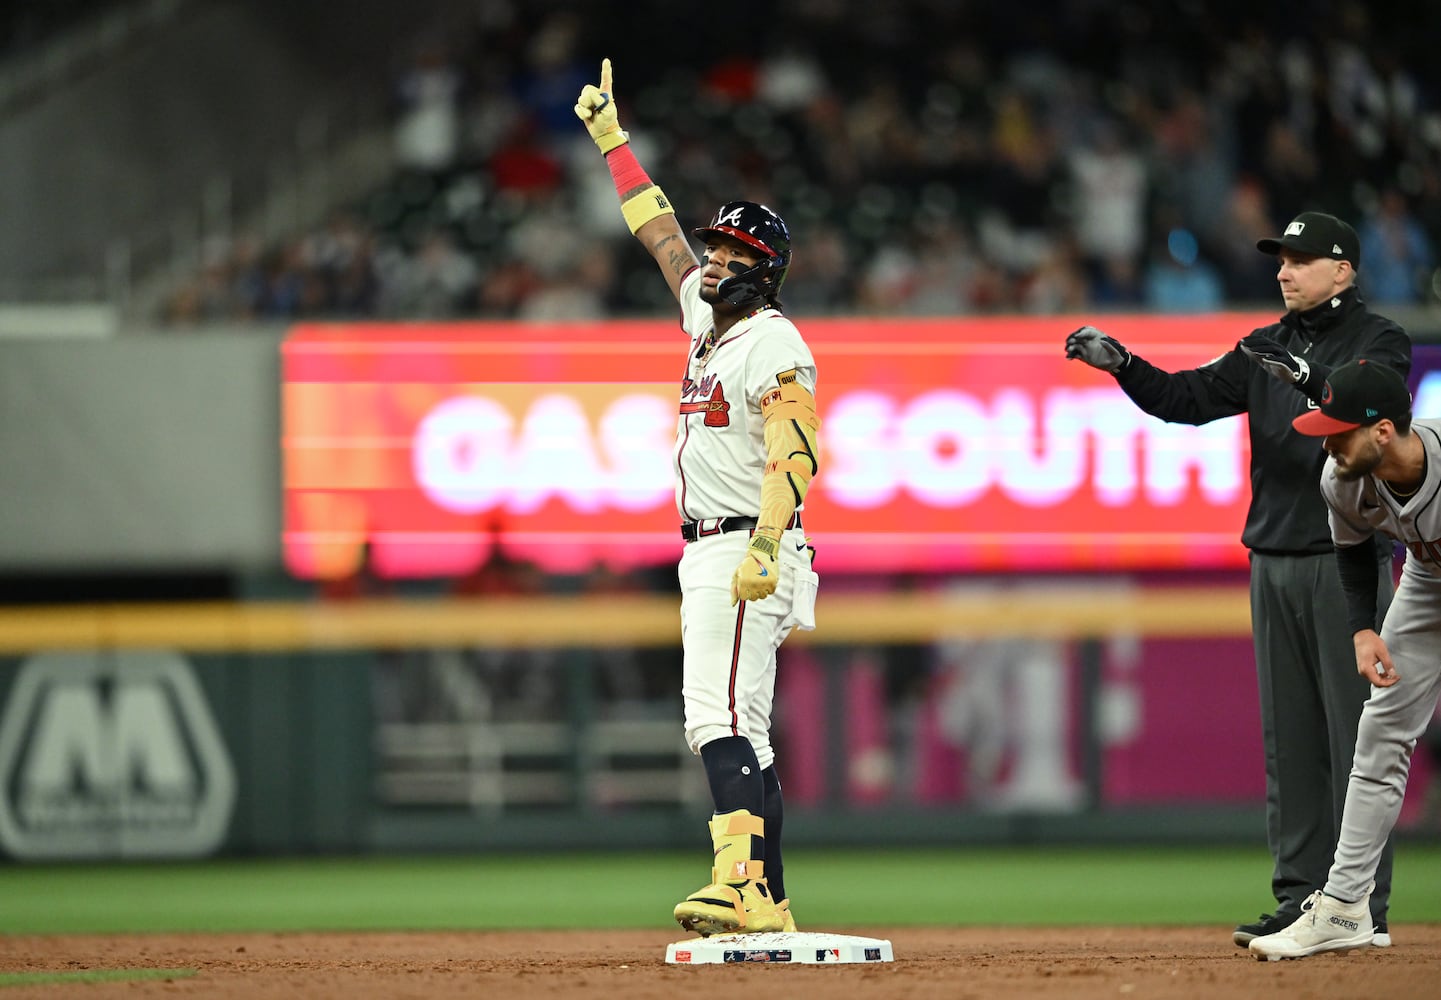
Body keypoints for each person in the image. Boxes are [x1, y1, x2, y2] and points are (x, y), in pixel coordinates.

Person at [1065, 211, 1412, 948]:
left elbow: (1369, 403)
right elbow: (1186, 402)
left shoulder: (1377, 337)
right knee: (1289, 744)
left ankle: (1358, 907)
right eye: (1280, 260)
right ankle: (1296, 899)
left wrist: (1310, 378)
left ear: (1342, 271)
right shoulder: (1264, 345)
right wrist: (1123, 365)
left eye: (1300, 259)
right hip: (1273, 558)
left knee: (1357, 741)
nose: (1283, 271)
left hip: (1341, 558)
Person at [574, 59, 820, 938]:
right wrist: (613, 145)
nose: (712, 263)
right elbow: (659, 235)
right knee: (743, 732)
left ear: (766, 272)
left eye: (733, 256)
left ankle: (739, 883)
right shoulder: (705, 318)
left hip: (744, 544)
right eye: (717, 252)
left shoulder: (772, 342)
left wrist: (762, 544)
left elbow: (797, 451)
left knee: (710, 715)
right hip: (712, 544)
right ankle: (773, 894)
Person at [1249, 360, 1437, 959]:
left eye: (1339, 429)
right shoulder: (1341, 478)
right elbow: (1354, 548)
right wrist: (1361, 628)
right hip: (1430, 576)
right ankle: (1345, 907)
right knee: (1380, 729)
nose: (1327, 442)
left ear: (1383, 430)